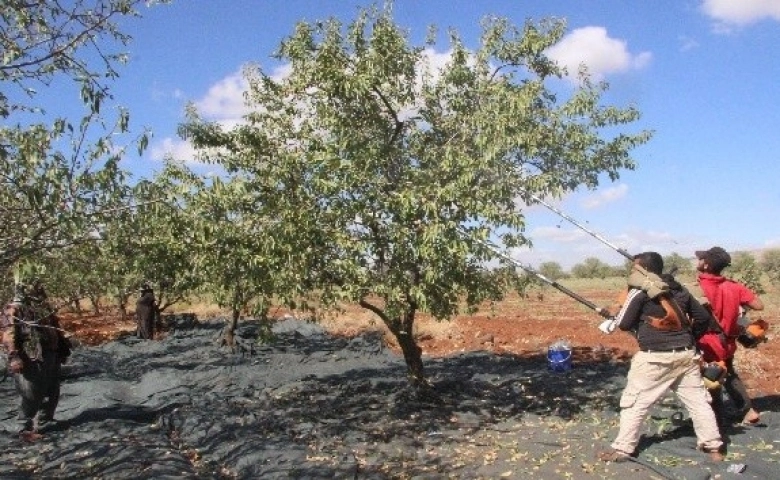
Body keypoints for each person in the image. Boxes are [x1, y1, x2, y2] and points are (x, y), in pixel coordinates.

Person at [598, 252, 724, 463]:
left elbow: (624, 324)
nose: (632, 271)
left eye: (635, 268)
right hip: (687, 356)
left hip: (654, 359)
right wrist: (690, 337)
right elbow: (703, 318)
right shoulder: (679, 290)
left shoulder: (639, 292)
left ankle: (623, 449)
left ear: (643, 270)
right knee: (699, 403)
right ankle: (714, 449)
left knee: (635, 403)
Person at [694, 246, 764, 425]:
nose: (698, 261)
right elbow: (758, 305)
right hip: (728, 342)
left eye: (701, 259)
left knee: (711, 379)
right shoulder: (734, 286)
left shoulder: (699, 287)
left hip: (707, 342)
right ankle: (748, 411)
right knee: (729, 374)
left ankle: (715, 421)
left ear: (707, 265)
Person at [0, 281, 71, 435]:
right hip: (31, 357)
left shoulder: (42, 307)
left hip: (50, 354)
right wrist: (14, 356)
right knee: (31, 394)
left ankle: (46, 421)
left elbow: (55, 327)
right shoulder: (14, 309)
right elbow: (8, 334)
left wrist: (62, 350)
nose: (39, 291)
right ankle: (22, 426)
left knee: (51, 391)